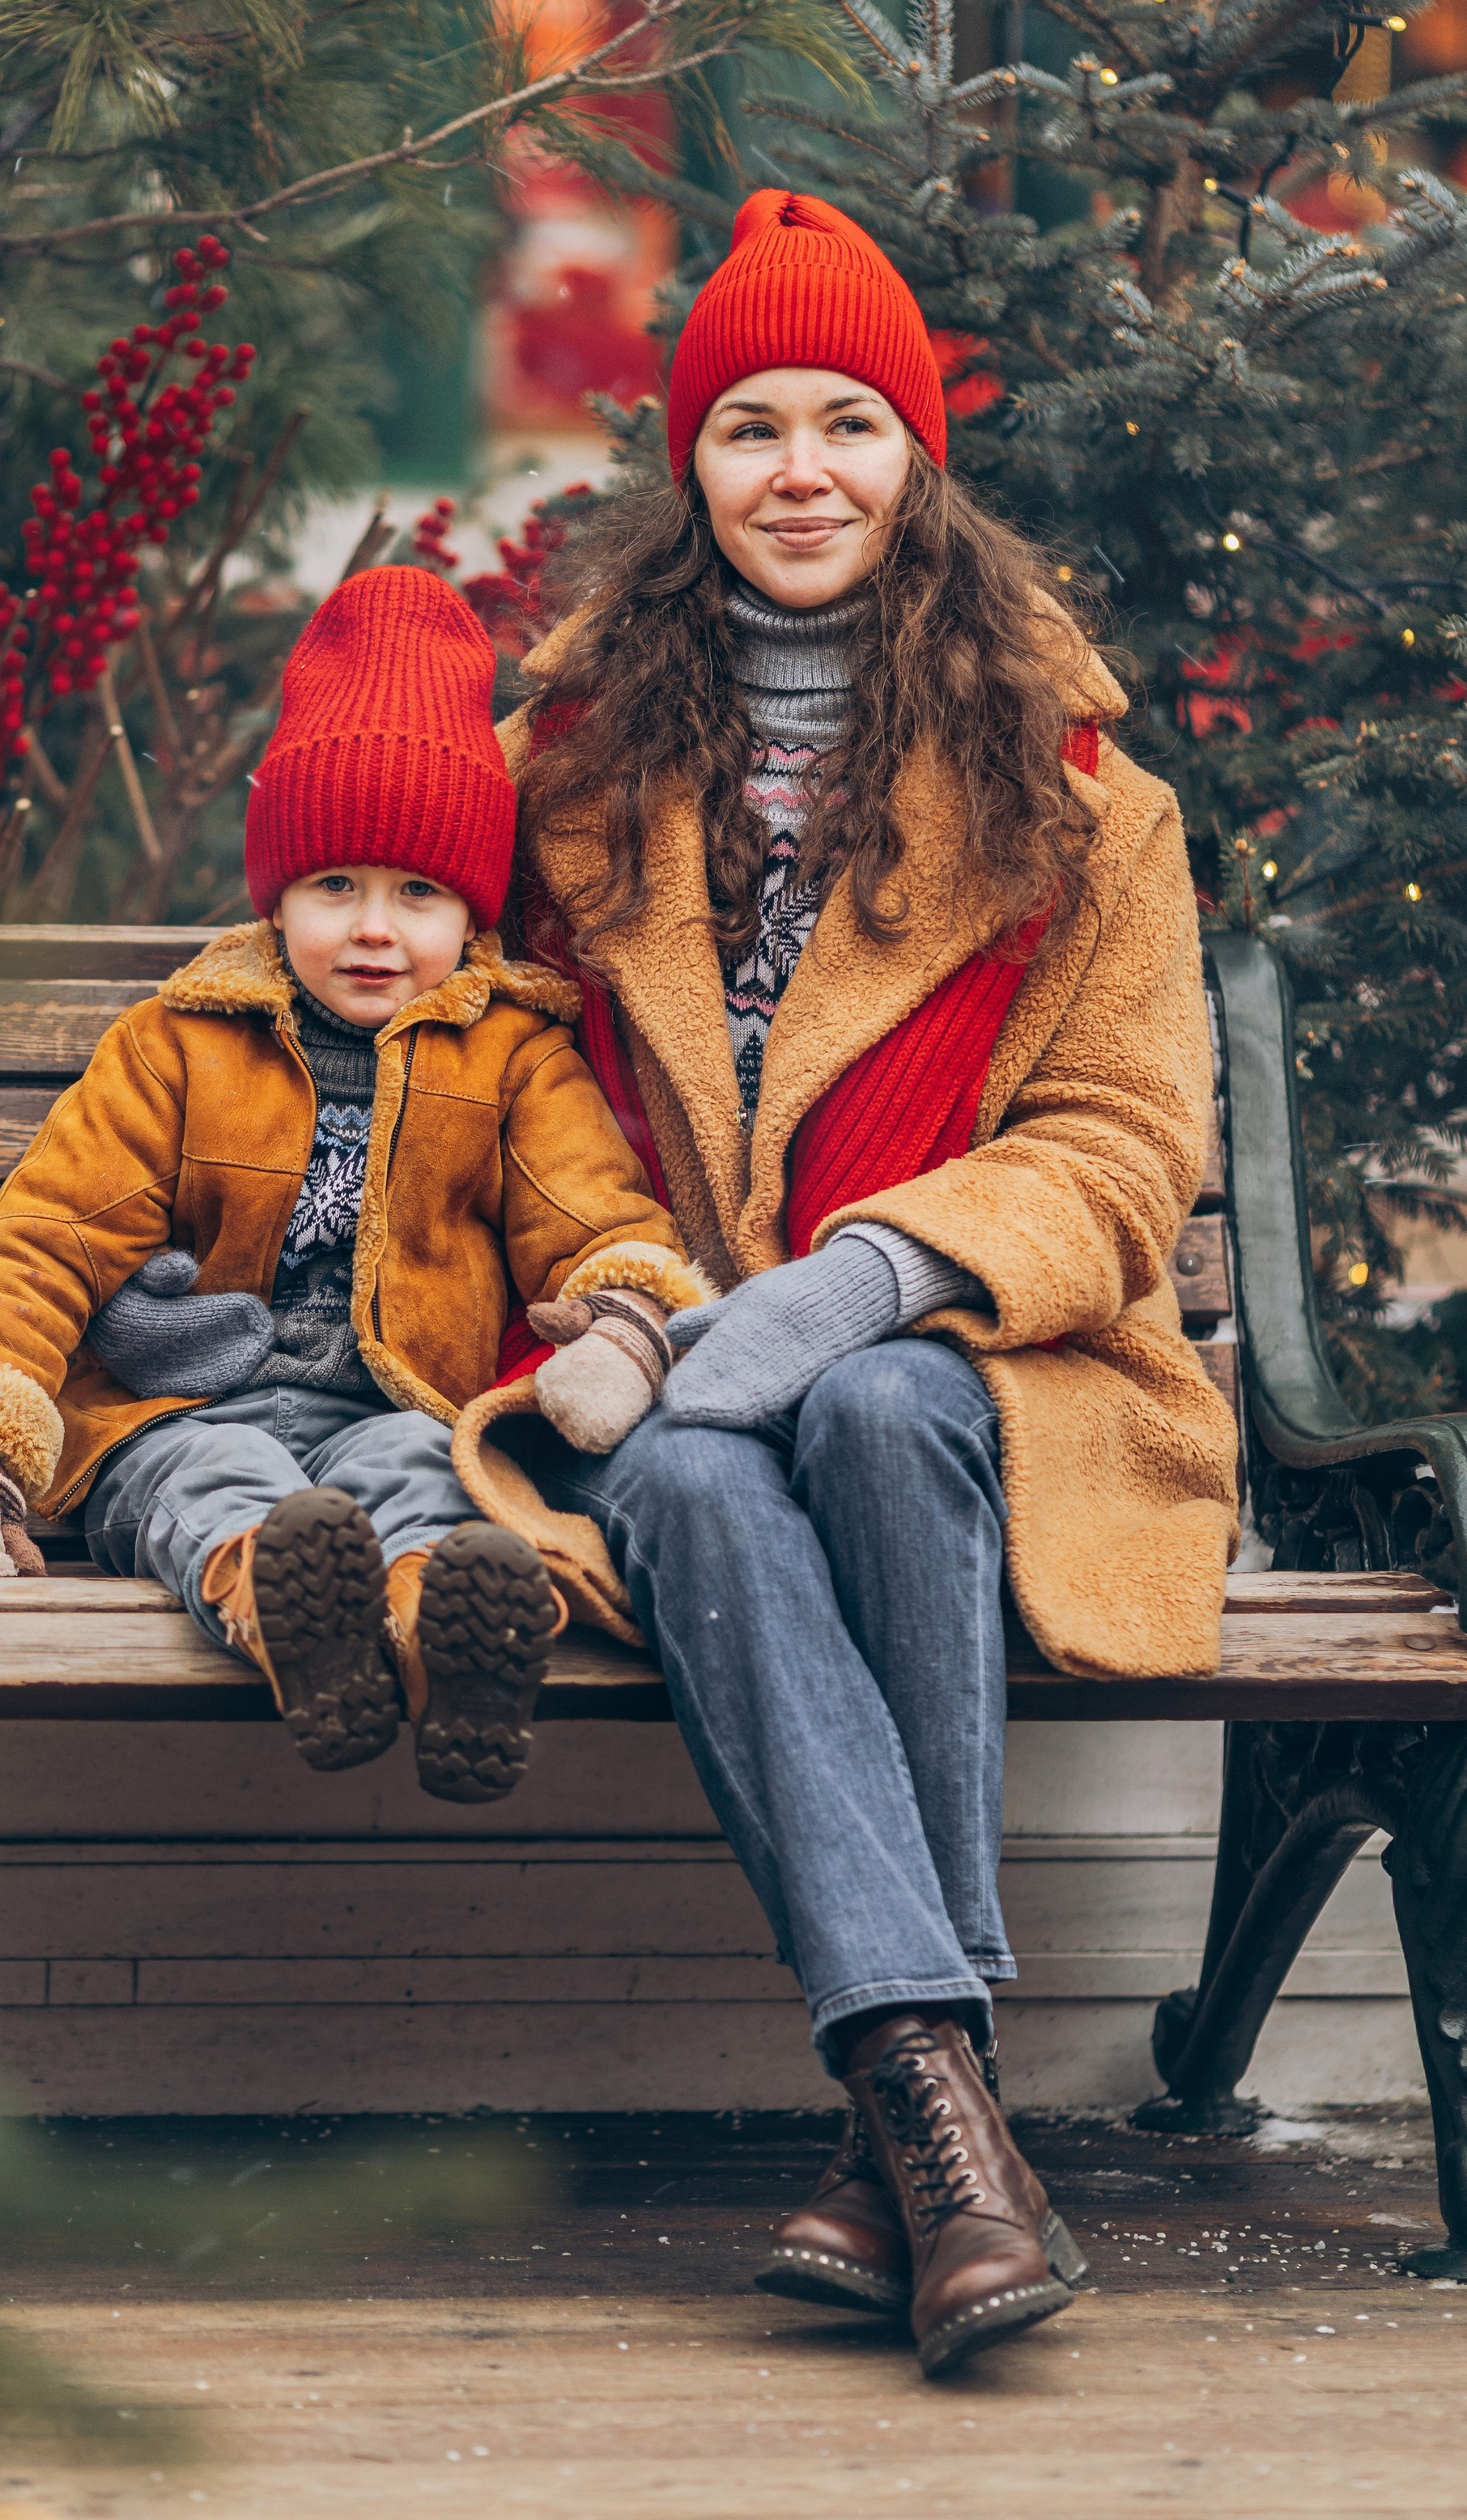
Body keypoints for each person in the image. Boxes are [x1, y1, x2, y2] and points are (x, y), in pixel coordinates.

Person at [456, 189, 1240, 2374]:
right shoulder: (568, 777)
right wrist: (650, 1310)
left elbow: (1120, 1148)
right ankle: (942, 2109)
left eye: (851, 423)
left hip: (988, 1371)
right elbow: (496, 1079)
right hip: (637, 1377)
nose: (802, 471)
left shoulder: (1089, 803)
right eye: (750, 428)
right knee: (705, 1481)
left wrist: (858, 1283)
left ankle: (897, 2111)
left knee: (877, 1409)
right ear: (688, 471)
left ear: (917, 460)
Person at [0, 565, 710, 1804]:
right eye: (337, 887)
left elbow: (593, 1213)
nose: (375, 929)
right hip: (181, 1414)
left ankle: (456, 1647)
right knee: (213, 1489)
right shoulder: (180, 1043)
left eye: (417, 893)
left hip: (396, 1401)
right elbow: (49, 1238)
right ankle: (299, 1627)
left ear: (472, 912)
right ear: (278, 894)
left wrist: (623, 1314)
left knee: (429, 1484)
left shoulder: (510, 1057)